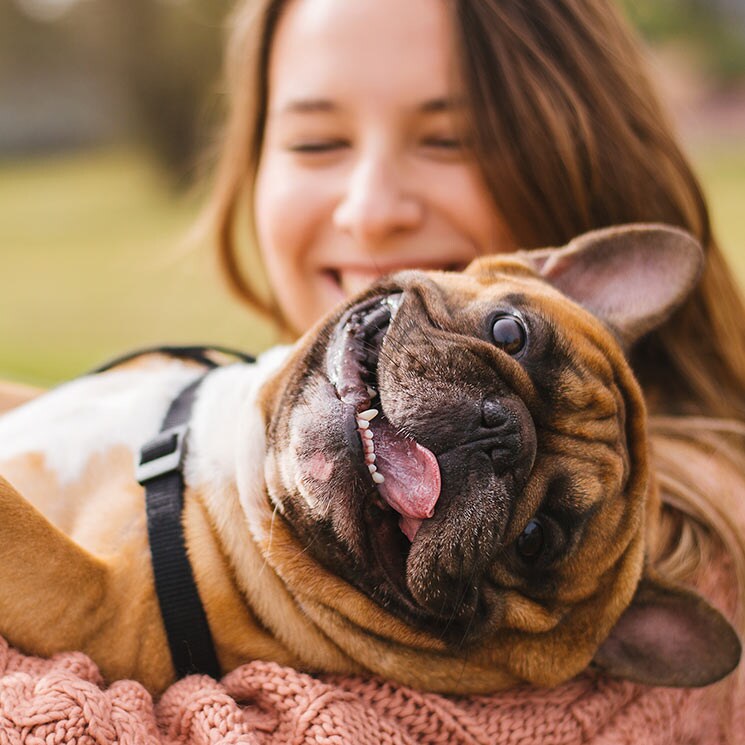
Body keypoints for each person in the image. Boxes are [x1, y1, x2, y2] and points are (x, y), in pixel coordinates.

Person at [199, 0, 745, 740]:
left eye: (450, 140)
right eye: (317, 140)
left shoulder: (652, 556)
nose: (370, 211)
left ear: (589, 160)